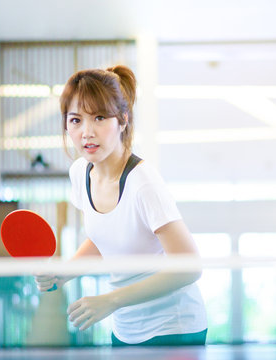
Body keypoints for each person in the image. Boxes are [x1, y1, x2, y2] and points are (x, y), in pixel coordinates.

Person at [35, 65, 207, 346]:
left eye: (99, 117)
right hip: (125, 329)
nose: (87, 132)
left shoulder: (143, 184)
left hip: (174, 328)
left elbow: (190, 267)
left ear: (123, 120)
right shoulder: (80, 173)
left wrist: (110, 300)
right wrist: (64, 273)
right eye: (76, 120)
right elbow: (105, 238)